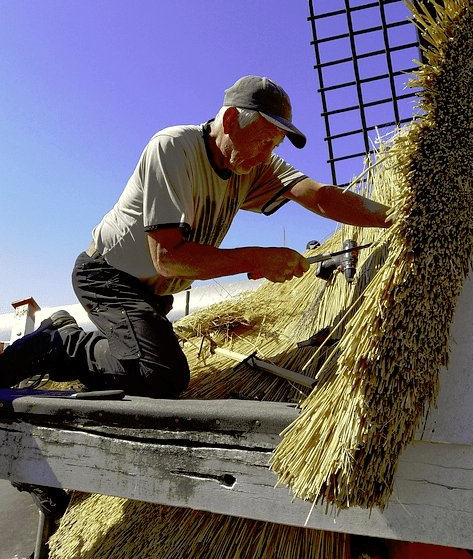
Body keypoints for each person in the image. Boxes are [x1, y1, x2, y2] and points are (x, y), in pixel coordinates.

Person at [0, 75, 390, 397]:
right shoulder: (174, 148)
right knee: (161, 376)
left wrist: (389, 218)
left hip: (152, 293)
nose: (266, 153)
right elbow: (168, 257)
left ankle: (72, 340)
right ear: (233, 119)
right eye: (263, 139)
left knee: (154, 371)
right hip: (108, 276)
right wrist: (257, 258)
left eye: (275, 145)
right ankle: (61, 344)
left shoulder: (252, 166)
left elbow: (318, 195)